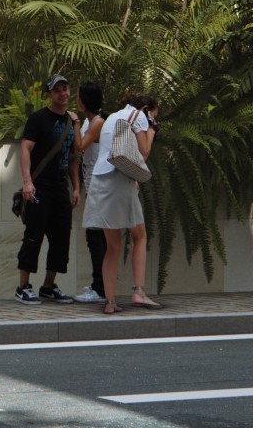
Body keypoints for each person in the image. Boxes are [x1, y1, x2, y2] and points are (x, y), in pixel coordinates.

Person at [89, 93, 161, 313]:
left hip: (100, 181)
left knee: (113, 246)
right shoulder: (139, 116)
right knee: (139, 236)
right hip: (120, 182)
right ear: (147, 109)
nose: (151, 121)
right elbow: (143, 151)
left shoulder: (111, 118)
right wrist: (151, 129)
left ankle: (110, 302)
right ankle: (138, 292)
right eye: (153, 116)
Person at [15, 75, 79, 303]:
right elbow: (25, 149)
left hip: (60, 186)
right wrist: (26, 182)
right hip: (39, 186)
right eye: (57, 90)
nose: (63, 93)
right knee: (33, 236)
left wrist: (76, 187)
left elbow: (73, 157)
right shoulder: (39, 119)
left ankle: (48, 286)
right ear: (49, 94)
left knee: (61, 238)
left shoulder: (72, 122)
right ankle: (23, 286)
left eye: (65, 88)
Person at [72, 81, 110, 306]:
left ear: (83, 100)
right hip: (94, 184)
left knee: (95, 236)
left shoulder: (96, 122)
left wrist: (75, 122)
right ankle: (101, 285)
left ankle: (100, 287)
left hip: (100, 186)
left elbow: (80, 146)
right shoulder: (91, 121)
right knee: (96, 236)